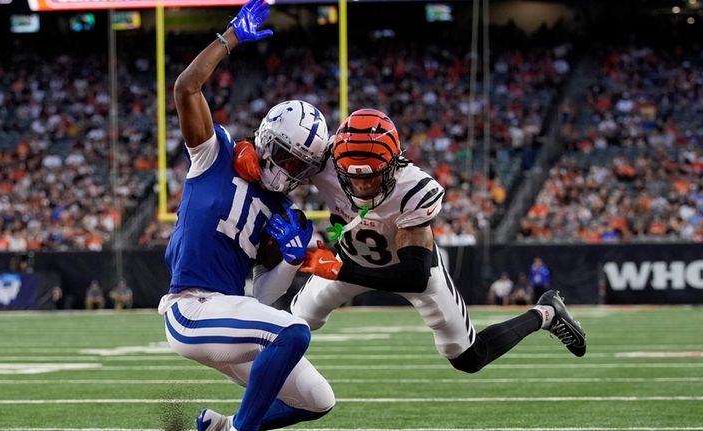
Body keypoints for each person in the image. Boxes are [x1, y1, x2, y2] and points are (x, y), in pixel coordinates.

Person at [234, 108, 587, 374]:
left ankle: (546, 312)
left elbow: (414, 276)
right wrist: (248, 152)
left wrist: (339, 269)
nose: (362, 187)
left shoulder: (414, 189)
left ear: (394, 164)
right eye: (352, 180)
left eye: (372, 178)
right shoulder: (324, 159)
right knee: (284, 328)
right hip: (347, 258)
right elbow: (284, 140)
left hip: (404, 268)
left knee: (469, 357)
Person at [158, 2, 334, 430]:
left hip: (228, 313)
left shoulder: (284, 211)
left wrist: (292, 261)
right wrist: (230, 37)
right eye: (286, 158)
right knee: (293, 333)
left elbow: (258, 299)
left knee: (318, 400)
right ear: (266, 140)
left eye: (299, 167)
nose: (289, 172)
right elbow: (186, 88)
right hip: (191, 309)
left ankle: (220, 427)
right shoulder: (213, 155)